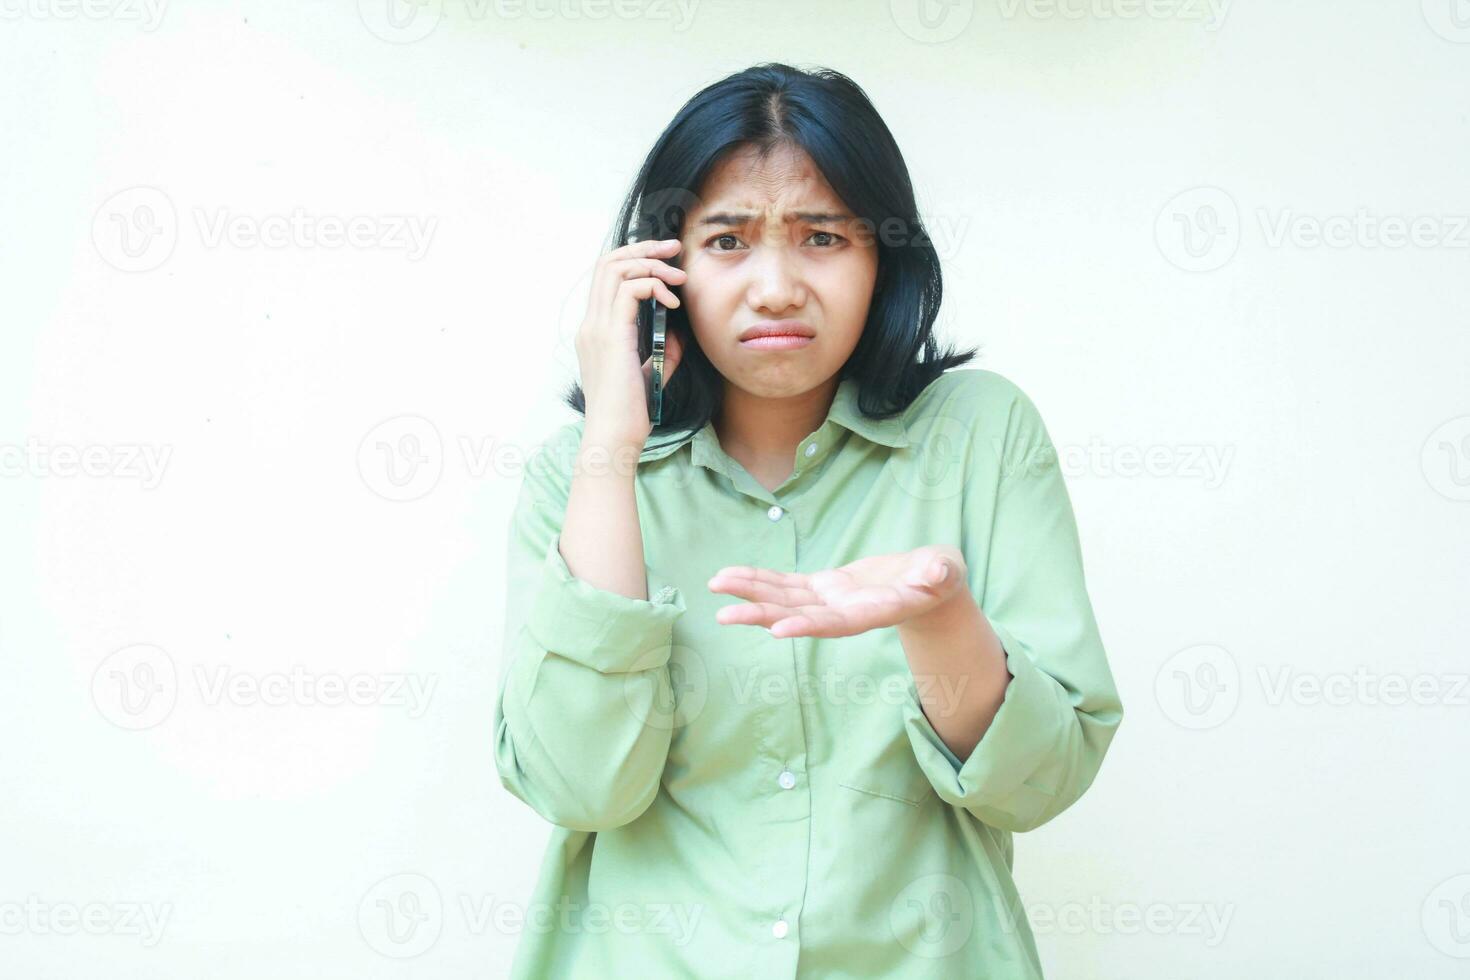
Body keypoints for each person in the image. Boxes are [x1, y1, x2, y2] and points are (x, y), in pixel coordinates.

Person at [493, 62, 1123, 979]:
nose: (777, 287)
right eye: (727, 241)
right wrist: (611, 445)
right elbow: (578, 787)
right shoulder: (578, 475)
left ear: (883, 259)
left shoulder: (982, 435)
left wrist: (940, 617)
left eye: (823, 236)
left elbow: (1042, 783)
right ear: (661, 267)